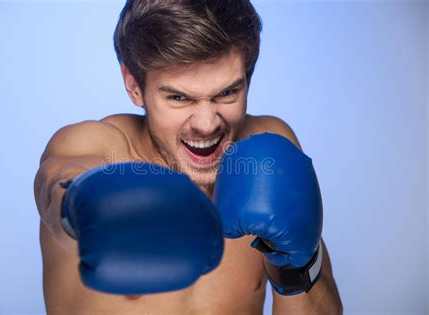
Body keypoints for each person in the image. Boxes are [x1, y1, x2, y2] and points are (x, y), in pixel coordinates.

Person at [34, 0, 343, 314]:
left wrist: (295, 266)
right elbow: (57, 182)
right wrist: (81, 205)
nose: (207, 124)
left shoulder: (269, 149)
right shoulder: (96, 145)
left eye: (227, 93)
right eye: (179, 97)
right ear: (134, 85)